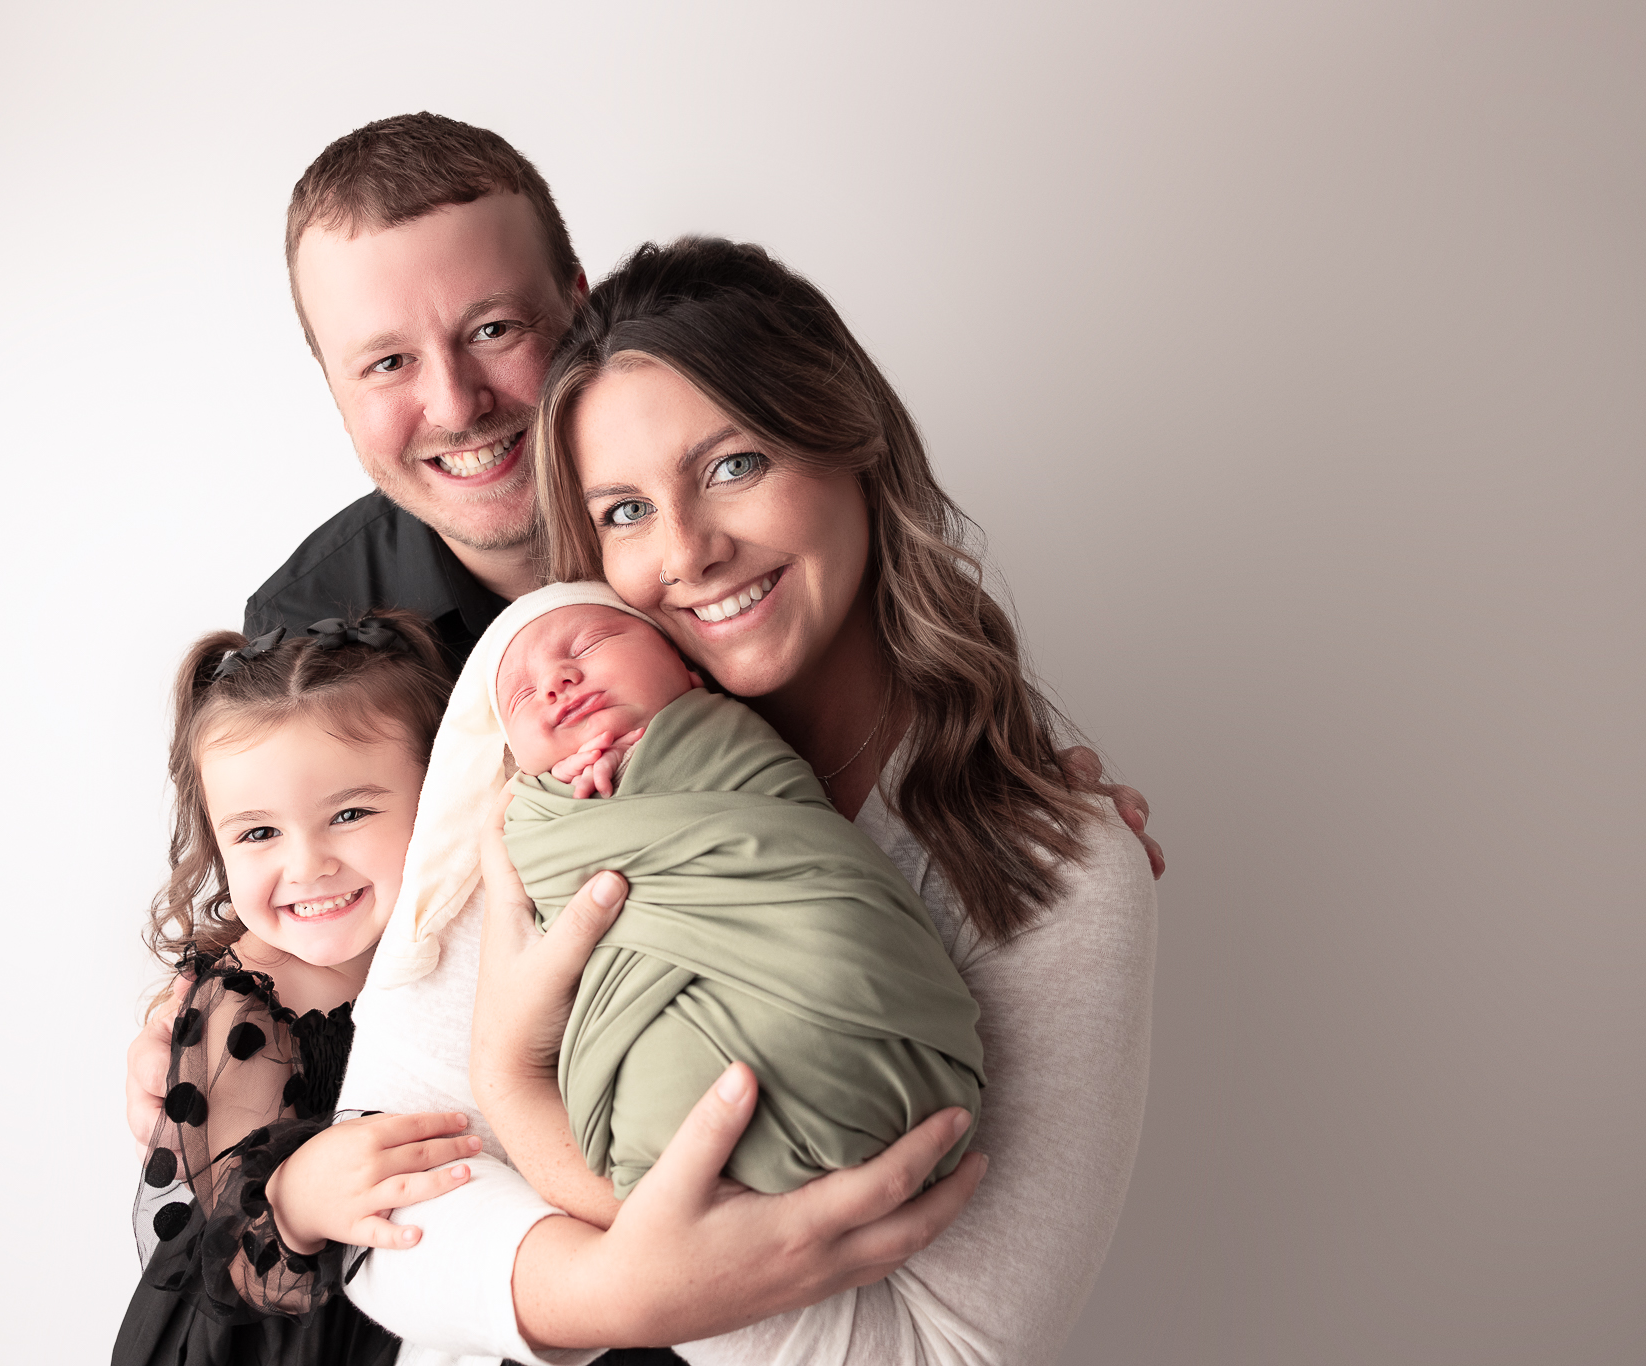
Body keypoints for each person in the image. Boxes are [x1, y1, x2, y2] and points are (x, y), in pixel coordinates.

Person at [127, 112, 1165, 1362]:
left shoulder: (1021, 848)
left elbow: (942, 1347)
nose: (680, 551)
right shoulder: (503, 692)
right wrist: (232, 986)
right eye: (623, 508)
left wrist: (540, 1138)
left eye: (733, 466)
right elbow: (388, 1198)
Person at [481, 585, 985, 1202]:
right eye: (524, 696)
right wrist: (557, 812)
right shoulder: (529, 820)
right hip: (659, 1064)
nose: (555, 683)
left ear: (689, 670)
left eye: (587, 645)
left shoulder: (729, 740)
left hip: (839, 969)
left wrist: (652, 761)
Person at [114, 611, 484, 1366]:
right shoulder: (251, 1008)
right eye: (258, 834)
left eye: (349, 814)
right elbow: (233, 1248)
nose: (308, 865)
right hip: (292, 1330)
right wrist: (298, 1205)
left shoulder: (464, 933)